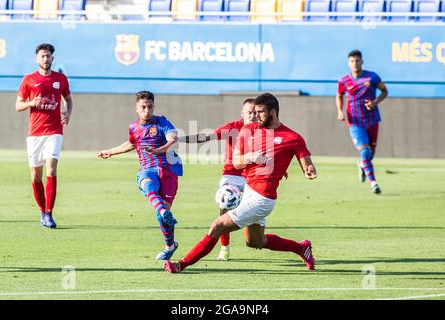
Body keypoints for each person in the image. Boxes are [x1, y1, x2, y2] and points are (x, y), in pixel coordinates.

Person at [164, 93, 317, 273]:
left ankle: (180, 264)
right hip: (249, 192)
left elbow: (306, 163)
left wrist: (309, 170)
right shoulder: (248, 130)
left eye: (260, 112)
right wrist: (250, 157)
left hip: (262, 200)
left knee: (217, 226)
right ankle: (301, 248)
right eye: (253, 112)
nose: (255, 116)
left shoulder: (293, 137)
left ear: (273, 112)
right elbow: (236, 162)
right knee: (255, 242)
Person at [98, 91, 182, 260]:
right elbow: (130, 144)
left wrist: (158, 150)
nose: (147, 110)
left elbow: (172, 139)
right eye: (143, 107)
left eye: (150, 107)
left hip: (168, 172)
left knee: (161, 217)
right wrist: (110, 152)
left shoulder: (162, 122)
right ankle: (163, 211)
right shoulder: (133, 127)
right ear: (137, 108)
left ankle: (170, 245)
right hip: (148, 169)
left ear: (153, 107)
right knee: (148, 184)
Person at [180, 99, 257, 261]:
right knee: (225, 204)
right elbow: (207, 136)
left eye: (255, 112)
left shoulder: (263, 129)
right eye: (249, 112)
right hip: (232, 175)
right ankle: (225, 247)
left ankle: (254, 238)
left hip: (253, 175)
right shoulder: (232, 127)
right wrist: (181, 139)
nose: (252, 115)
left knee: (253, 215)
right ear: (242, 113)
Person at [15, 43, 73, 229]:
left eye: (48, 56)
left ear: (52, 58)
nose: (45, 59)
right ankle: (42, 211)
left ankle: (49, 213)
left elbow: (68, 99)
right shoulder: (29, 80)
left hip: (54, 131)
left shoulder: (60, 78)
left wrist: (67, 112)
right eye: (42, 56)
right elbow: (18, 105)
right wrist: (31, 102)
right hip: (35, 134)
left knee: (52, 169)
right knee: (35, 176)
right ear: (37, 59)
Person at [336, 49, 388, 194]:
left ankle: (362, 165)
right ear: (348, 63)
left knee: (371, 153)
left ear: (362, 62)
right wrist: (340, 111)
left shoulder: (372, 77)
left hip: (372, 120)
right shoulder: (343, 81)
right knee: (364, 151)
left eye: (357, 61)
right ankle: (374, 183)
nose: (355, 64)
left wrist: (375, 102)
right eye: (352, 61)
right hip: (355, 121)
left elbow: (385, 91)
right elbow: (339, 95)